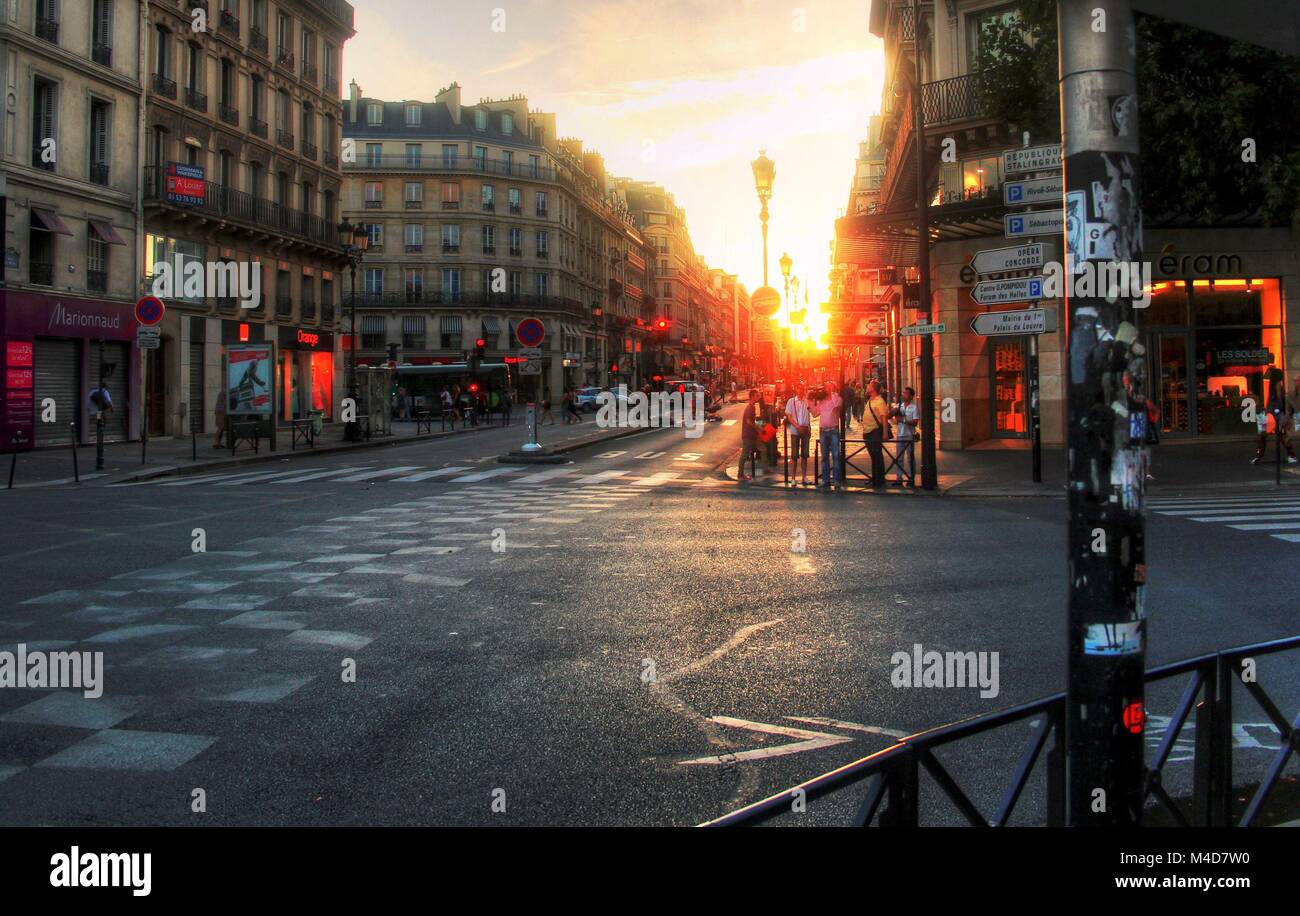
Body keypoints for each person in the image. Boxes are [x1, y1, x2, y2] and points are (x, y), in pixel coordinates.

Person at [1254, 380, 1298, 464]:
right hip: (1274, 418)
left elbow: (1285, 406)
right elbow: (1271, 406)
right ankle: (1258, 457)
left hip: (1278, 418)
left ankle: (1292, 456)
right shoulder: (1274, 394)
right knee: (1268, 436)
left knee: (1282, 436)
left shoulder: (1280, 394)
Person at [812, 382, 843, 490]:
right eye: (826, 387)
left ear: (833, 388)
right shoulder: (822, 401)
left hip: (833, 430)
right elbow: (815, 414)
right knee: (824, 457)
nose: (827, 389)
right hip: (823, 431)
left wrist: (832, 394)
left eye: (829, 387)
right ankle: (825, 480)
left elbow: (837, 407)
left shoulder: (838, 398)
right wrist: (810, 403)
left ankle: (837, 480)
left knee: (835, 456)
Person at [861, 380, 890, 490]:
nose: (867, 387)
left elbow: (884, 418)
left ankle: (879, 479)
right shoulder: (870, 400)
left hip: (875, 431)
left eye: (869, 385)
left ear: (873, 388)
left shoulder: (880, 401)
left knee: (877, 455)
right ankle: (875, 477)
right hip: (867, 431)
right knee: (873, 456)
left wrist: (885, 433)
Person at [890, 386, 920, 486]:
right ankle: (899, 478)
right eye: (903, 393)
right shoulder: (899, 406)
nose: (903, 395)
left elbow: (915, 422)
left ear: (911, 396)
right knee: (899, 457)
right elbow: (893, 420)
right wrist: (892, 414)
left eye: (906, 393)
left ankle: (911, 478)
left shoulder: (914, 407)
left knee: (910, 457)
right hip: (900, 434)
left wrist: (903, 420)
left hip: (909, 435)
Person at [784, 384, 812, 485]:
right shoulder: (791, 401)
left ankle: (804, 477)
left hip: (805, 430)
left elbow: (810, 414)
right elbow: (789, 416)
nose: (800, 391)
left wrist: (809, 428)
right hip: (795, 431)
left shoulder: (807, 401)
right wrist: (797, 426)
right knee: (794, 455)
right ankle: (793, 478)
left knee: (805, 455)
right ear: (796, 390)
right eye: (799, 389)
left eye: (802, 389)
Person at [738, 388, 761, 481]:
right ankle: (740, 474)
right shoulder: (750, 408)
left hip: (751, 434)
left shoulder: (752, 407)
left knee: (761, 448)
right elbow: (748, 421)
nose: (758, 397)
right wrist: (757, 428)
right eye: (756, 395)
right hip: (748, 434)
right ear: (752, 397)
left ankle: (741, 474)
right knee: (744, 454)